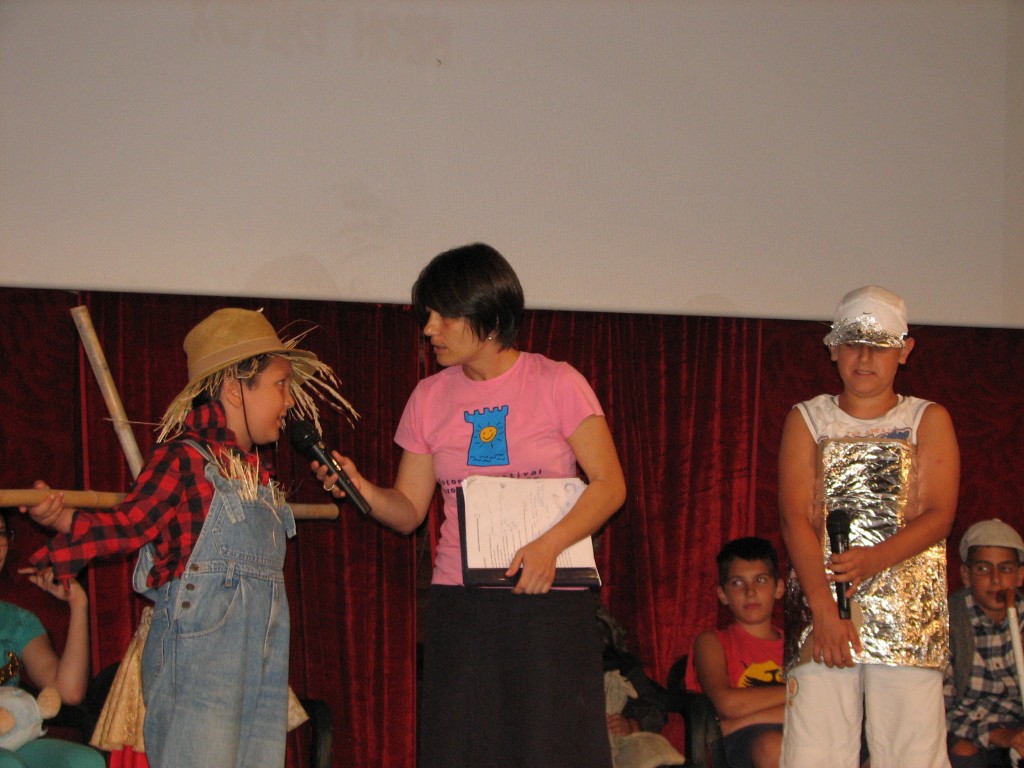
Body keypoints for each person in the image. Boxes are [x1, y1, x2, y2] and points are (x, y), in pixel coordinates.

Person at [314, 242, 627, 768]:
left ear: (488, 315)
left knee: (552, 749)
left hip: (549, 600)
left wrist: (549, 546)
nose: (429, 328)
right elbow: (408, 510)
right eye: (427, 315)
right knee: (464, 747)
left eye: (443, 315)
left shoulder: (558, 382)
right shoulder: (429, 397)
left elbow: (610, 485)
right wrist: (361, 488)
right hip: (463, 605)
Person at [21, 308, 354, 768]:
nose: (289, 401)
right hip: (199, 671)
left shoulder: (258, 478)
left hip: (262, 670)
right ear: (235, 389)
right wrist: (64, 522)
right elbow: (130, 524)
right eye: (280, 384)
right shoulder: (183, 459)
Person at [778, 285, 960, 768]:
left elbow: (939, 514)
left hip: (906, 611)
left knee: (912, 752)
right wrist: (823, 610)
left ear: (904, 350)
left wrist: (875, 558)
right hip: (822, 604)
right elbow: (795, 517)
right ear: (832, 348)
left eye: (879, 346)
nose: (864, 358)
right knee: (815, 750)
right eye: (853, 344)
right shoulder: (808, 418)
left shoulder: (926, 418)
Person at [0, 511, 105, 768]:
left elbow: (68, 692)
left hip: (10, 737)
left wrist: (78, 604)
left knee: (86, 762)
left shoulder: (17, 620)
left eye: (1, 533)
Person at [685, 537, 785, 768]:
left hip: (802, 729)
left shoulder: (797, 643)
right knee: (773, 746)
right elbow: (728, 703)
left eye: (760, 580)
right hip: (745, 743)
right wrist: (797, 694)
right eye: (738, 583)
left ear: (778, 588)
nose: (750, 592)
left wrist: (740, 720)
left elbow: (818, 703)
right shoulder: (713, 641)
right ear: (723, 594)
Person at [945, 518, 1024, 768]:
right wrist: (996, 735)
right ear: (966, 575)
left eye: (1006, 569)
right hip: (965, 728)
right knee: (963, 751)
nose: (996, 579)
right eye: (983, 568)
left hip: (1017, 726)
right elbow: (938, 709)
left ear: (1020, 575)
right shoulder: (949, 623)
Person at [597, 601, 685, 768]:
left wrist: (633, 724)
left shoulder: (617, 661)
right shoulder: (550, 668)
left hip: (623, 748)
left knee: (658, 755)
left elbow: (652, 704)